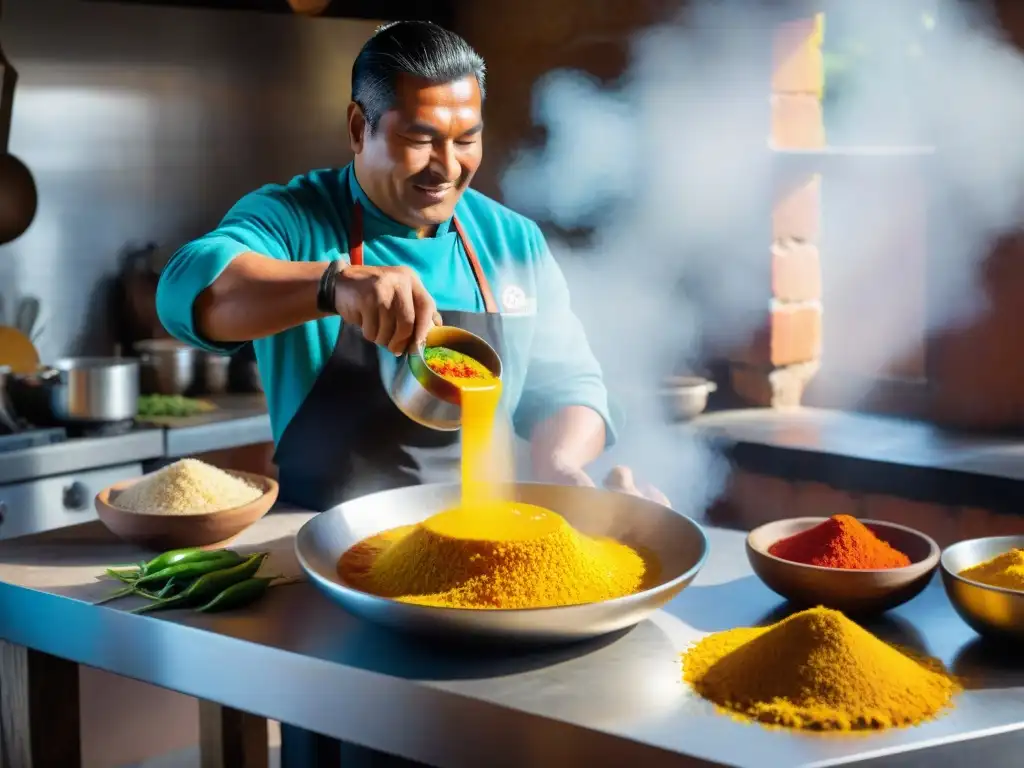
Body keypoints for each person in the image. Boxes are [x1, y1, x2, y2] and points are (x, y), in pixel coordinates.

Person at [156, 20, 666, 766]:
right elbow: (189, 290)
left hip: (488, 573)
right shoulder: (297, 220)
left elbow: (570, 386)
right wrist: (332, 284)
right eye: (422, 137)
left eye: (467, 138)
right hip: (341, 581)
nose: (448, 167)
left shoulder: (509, 240)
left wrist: (561, 464)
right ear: (360, 125)